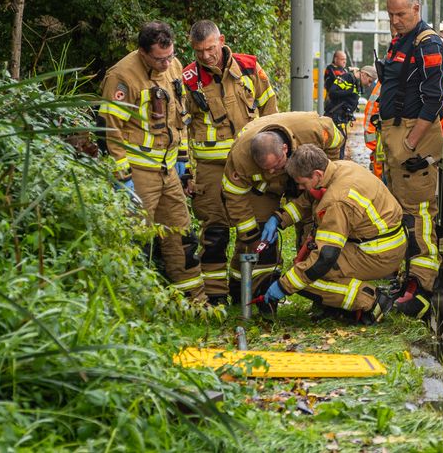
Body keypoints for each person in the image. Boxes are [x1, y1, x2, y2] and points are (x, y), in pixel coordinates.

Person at [98, 22, 203, 303]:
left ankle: (195, 302)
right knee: (137, 240)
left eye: (170, 56)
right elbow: (109, 129)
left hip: (168, 170)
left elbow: (178, 116)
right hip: (138, 173)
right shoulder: (121, 77)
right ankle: (134, 304)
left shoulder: (174, 66)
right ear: (142, 52)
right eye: (160, 58)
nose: (167, 63)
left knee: (182, 237)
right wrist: (122, 176)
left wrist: (183, 160)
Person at [181, 20, 278, 305]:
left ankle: (245, 289)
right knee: (215, 232)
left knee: (252, 228)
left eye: (210, 49)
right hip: (211, 169)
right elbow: (180, 126)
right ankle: (215, 296)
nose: (206, 56)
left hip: (250, 165)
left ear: (221, 40)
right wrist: (186, 169)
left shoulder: (249, 68)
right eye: (199, 51)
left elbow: (270, 109)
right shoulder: (189, 79)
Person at [263, 144, 403, 324]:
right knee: (303, 273)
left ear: (317, 175)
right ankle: (338, 304)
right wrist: (280, 219)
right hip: (382, 242)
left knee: (305, 277)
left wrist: (283, 286)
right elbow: (307, 200)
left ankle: (371, 301)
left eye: (302, 183)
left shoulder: (337, 200)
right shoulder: (338, 169)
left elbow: (324, 258)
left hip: (379, 253)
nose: (299, 187)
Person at [221, 111, 345, 301]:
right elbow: (234, 195)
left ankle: (319, 294)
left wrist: (327, 177)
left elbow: (336, 141)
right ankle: (246, 292)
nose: (271, 171)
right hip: (265, 189)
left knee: (313, 230)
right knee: (257, 234)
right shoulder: (240, 156)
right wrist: (250, 234)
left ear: (286, 148)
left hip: (305, 176)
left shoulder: (311, 129)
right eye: (266, 168)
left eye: (276, 165)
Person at [376, 0, 443, 319]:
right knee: (404, 213)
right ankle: (407, 280)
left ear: (416, 9)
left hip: (411, 137)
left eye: (400, 14)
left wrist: (410, 142)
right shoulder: (401, 41)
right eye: (391, 15)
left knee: (419, 214)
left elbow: (433, 99)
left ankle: (421, 288)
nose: (395, 21)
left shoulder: (427, 42)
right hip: (397, 134)